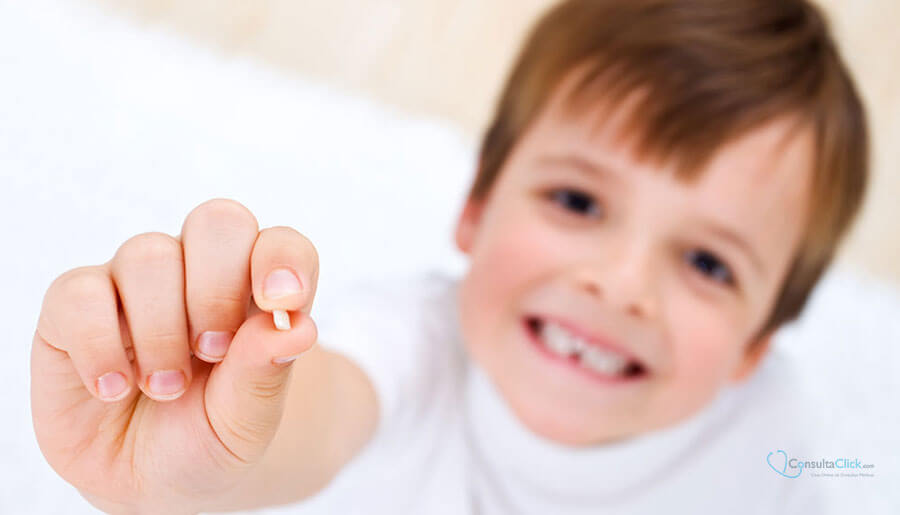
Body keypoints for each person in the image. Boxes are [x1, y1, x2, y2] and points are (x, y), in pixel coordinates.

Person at [30, 0, 868, 513]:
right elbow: (307, 413)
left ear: (757, 345)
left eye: (710, 265)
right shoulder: (406, 350)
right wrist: (200, 461)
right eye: (577, 202)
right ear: (475, 209)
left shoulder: (774, 431)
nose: (620, 285)